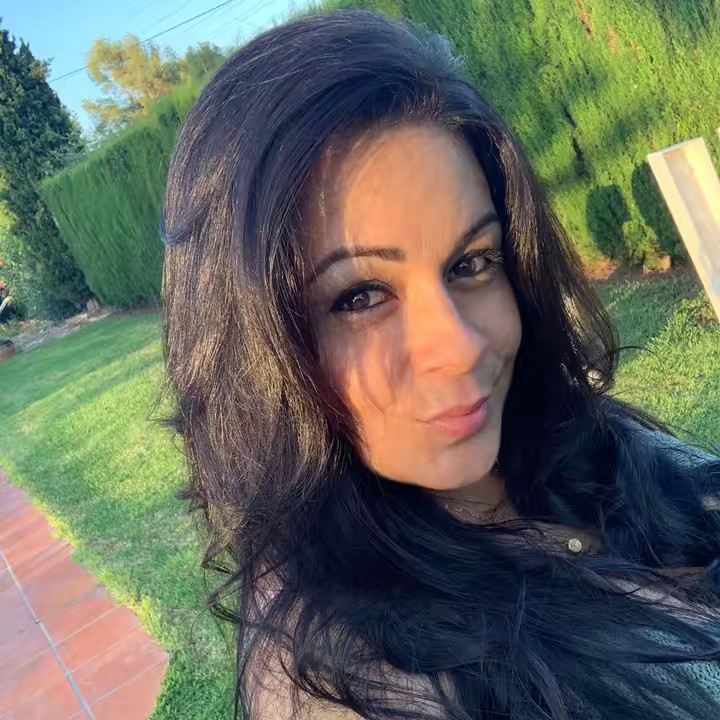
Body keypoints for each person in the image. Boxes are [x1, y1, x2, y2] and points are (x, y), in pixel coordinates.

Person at [160, 10, 720, 720]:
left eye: (471, 263)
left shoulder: (578, 439)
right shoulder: (350, 678)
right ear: (254, 350)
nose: (459, 346)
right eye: (359, 297)